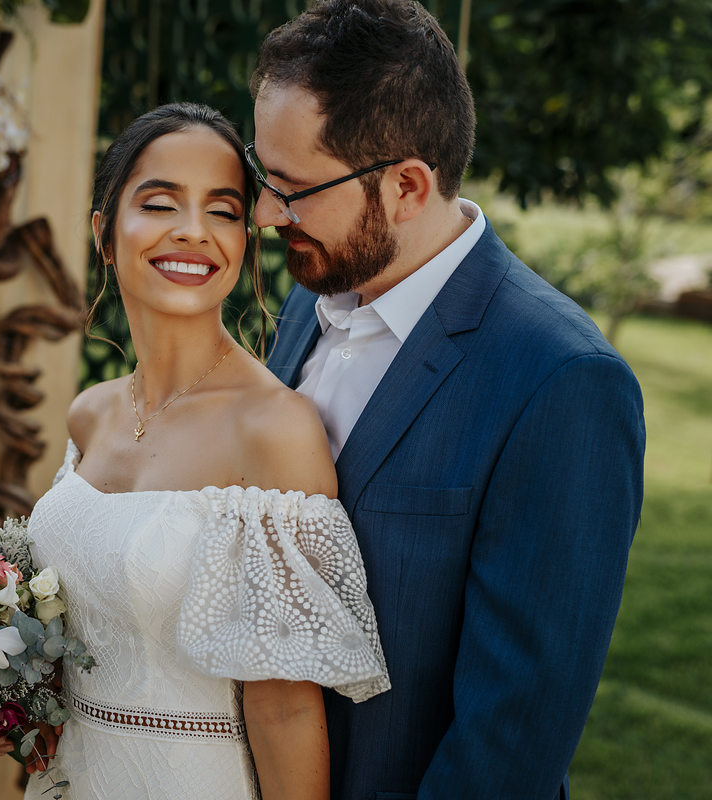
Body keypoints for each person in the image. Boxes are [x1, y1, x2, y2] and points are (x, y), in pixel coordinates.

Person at [249, 2, 647, 798]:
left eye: (290, 188)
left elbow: (513, 739)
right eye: (262, 177)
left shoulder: (562, 380)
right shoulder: (310, 299)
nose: (264, 214)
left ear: (405, 187)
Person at [17, 102, 390, 800]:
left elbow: (284, 707)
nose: (193, 232)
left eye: (223, 211)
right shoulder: (90, 414)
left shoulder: (272, 429)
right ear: (105, 232)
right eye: (160, 203)